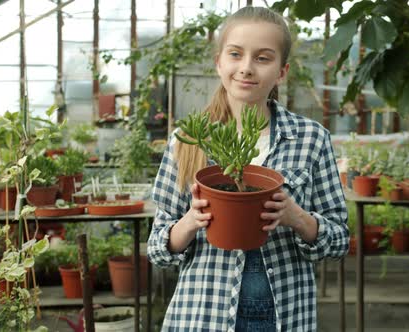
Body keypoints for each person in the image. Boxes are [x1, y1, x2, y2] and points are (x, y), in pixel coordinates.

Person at [148, 6, 349, 331]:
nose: (246, 68)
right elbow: (157, 248)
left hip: (284, 314)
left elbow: (340, 241)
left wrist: (298, 218)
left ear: (281, 72)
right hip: (203, 314)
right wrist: (189, 222)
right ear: (219, 62)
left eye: (263, 58)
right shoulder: (188, 138)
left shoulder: (311, 139)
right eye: (236, 54)